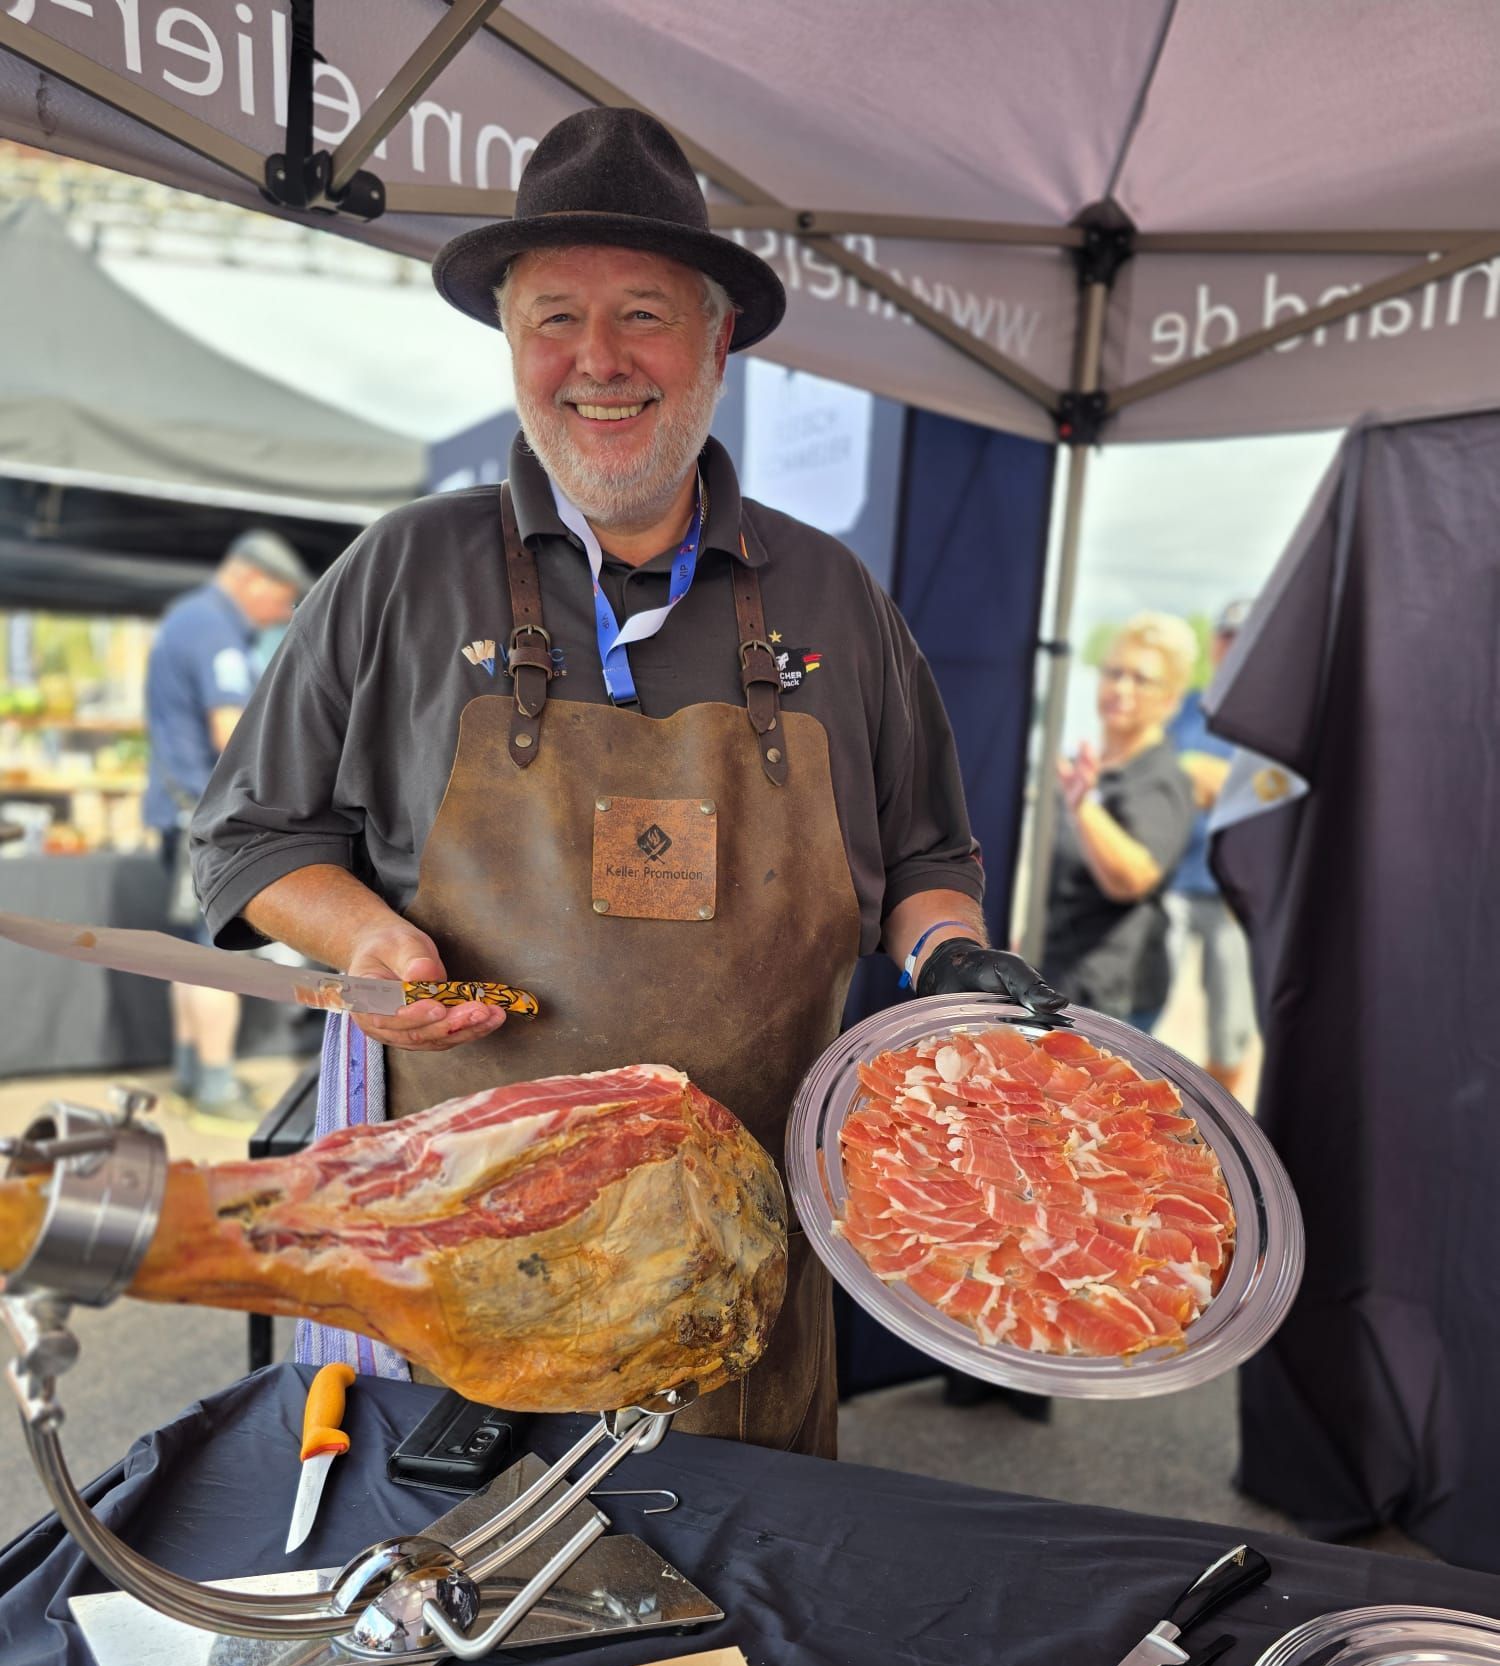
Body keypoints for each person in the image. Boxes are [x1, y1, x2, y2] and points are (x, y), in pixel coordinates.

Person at [191, 107, 1060, 1455]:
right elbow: (249, 837)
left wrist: (950, 957)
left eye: (643, 315)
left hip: (745, 1285)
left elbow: (928, 858)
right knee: (451, 1570)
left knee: (732, 1573)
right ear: (510, 342)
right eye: (556, 318)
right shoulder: (405, 572)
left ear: (717, 340)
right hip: (461, 1276)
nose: (598, 360)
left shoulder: (833, 594)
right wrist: (369, 938)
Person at [144, 529, 311, 1128]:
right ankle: (214, 1088)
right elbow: (233, 734)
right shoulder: (213, 628)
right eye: (281, 597)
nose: (283, 612)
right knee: (214, 958)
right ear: (250, 578)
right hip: (204, 818)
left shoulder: (188, 619)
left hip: (179, 811)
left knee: (189, 956)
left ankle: (194, 1075)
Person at [1042, 612, 1196, 1032]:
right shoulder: (1090, 767)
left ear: (1170, 700)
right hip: (1058, 977)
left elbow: (1133, 880)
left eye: (1141, 679)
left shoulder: (1160, 778)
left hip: (1110, 997)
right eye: (1114, 673)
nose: (1122, 688)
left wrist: (1083, 807)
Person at [1166, 599, 1258, 1096]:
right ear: (1213, 642)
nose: (1235, 645)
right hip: (1173, 883)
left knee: (1230, 1028)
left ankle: (1219, 1123)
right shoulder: (1183, 709)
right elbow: (1154, 773)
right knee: (1143, 1012)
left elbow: (1275, 794)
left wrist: (1216, 781)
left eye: (1246, 635)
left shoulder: (1274, 716)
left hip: (1235, 895)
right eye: (1227, 634)